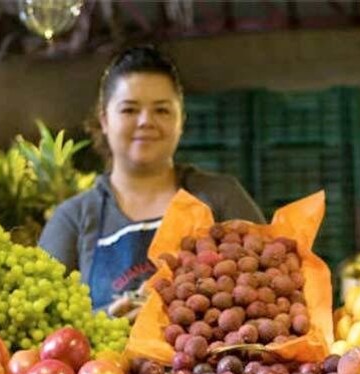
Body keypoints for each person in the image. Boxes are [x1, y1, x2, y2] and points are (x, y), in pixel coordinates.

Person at [39, 45, 264, 316]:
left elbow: (269, 288)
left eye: (162, 110)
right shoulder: (73, 219)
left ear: (181, 120)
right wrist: (107, 320)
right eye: (129, 110)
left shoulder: (221, 198)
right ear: (105, 120)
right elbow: (45, 323)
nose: (146, 121)